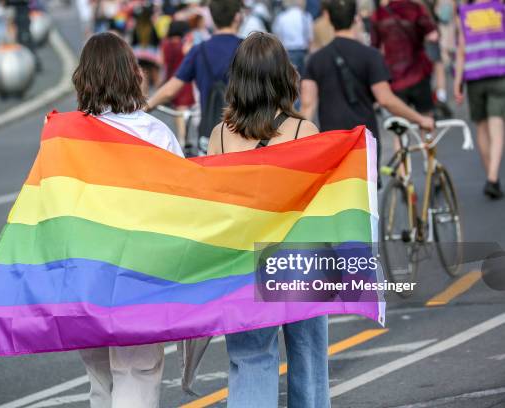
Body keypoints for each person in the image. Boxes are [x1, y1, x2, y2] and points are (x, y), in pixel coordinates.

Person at [207, 32, 327, 408]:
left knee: (249, 359)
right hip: (298, 258)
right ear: (283, 76)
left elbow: (212, 207)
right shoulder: (302, 131)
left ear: (238, 79)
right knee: (308, 356)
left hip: (241, 262)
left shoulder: (220, 137)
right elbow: (321, 207)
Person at [72, 32, 183, 408]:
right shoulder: (156, 134)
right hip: (140, 271)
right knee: (136, 371)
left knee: (99, 377)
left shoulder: (68, 137)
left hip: (86, 270)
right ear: (131, 74)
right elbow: (181, 205)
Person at [302, 0, 434, 177]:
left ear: (328, 19)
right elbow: (386, 99)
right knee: (367, 196)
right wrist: (420, 119)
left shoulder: (316, 60)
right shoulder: (371, 56)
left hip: (331, 141)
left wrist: (298, 147)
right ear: (356, 18)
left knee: (337, 195)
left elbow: (307, 106)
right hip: (363, 140)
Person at [146, 0, 243, 154]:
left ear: (211, 16)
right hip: (243, 132)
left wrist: (147, 105)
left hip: (209, 131)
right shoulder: (247, 48)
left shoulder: (199, 50)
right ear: (237, 17)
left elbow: (171, 89)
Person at [454, 0, 505, 199]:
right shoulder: (500, 8)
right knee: (497, 126)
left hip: (474, 77)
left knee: (482, 128)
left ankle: (491, 176)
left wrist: (457, 82)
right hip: (499, 73)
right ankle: (492, 178)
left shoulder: (465, 12)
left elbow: (461, 51)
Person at [371, 0, 439, 117]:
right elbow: (433, 36)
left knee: (400, 125)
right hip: (418, 72)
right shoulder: (415, 8)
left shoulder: (379, 14)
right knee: (426, 120)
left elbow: (374, 47)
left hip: (394, 76)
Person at [161, 20, 195, 146]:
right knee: (184, 109)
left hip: (171, 79)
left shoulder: (165, 44)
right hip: (184, 81)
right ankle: (183, 137)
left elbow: (162, 62)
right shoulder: (184, 45)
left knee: (177, 110)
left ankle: (182, 137)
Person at [272, 0, 313, 77]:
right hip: (302, 52)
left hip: (286, 52)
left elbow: (277, 36)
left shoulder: (281, 17)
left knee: (288, 79)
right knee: (302, 79)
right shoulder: (306, 16)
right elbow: (310, 38)